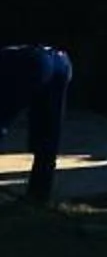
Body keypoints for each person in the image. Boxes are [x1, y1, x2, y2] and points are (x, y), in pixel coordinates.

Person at [1, 45, 72, 206]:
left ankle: (37, 198)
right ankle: (39, 195)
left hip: (32, 63)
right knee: (49, 133)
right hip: (62, 60)